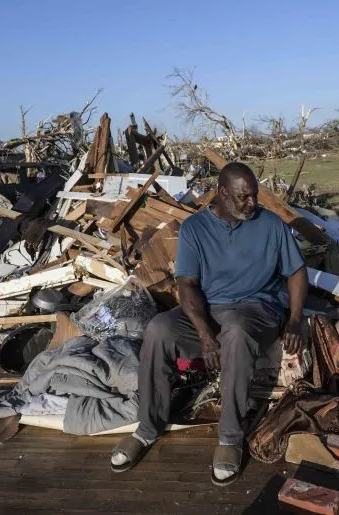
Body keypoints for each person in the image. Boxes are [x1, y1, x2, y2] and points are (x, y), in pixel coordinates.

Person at [110, 161, 308, 486]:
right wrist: (204, 333)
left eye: (254, 195)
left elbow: (296, 272)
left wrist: (296, 320)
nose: (252, 203)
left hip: (258, 308)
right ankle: (147, 428)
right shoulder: (195, 228)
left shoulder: (271, 225)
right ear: (223, 193)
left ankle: (230, 437)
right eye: (243, 197)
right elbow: (186, 283)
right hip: (212, 308)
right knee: (159, 329)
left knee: (238, 332)